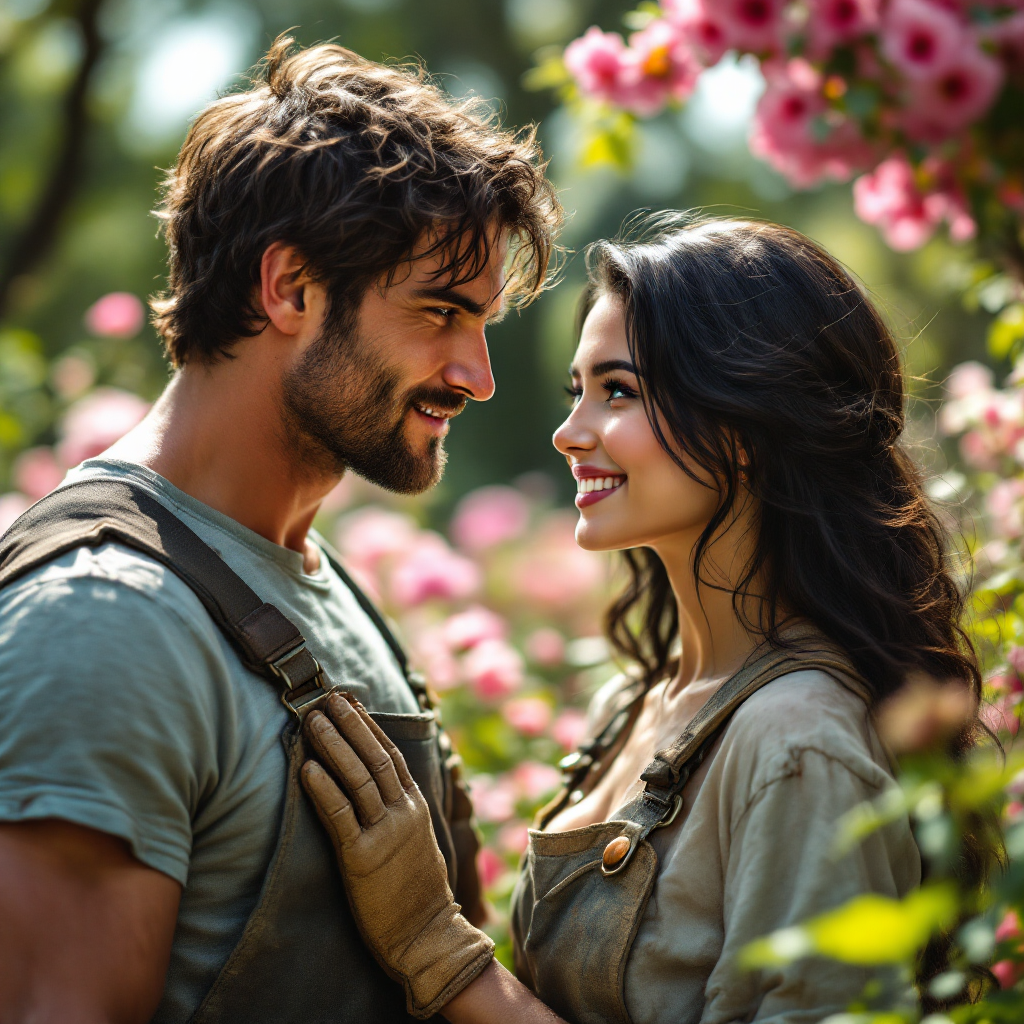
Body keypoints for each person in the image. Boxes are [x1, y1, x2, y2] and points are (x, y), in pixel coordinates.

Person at [301, 213, 989, 1024]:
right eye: (578, 392)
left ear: (743, 426)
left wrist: (436, 950)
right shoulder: (635, 703)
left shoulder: (798, 742)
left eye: (618, 391)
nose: (569, 433)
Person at [0, 37, 560, 1024]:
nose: (479, 375)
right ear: (289, 288)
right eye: (439, 311)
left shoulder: (312, 574)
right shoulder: (103, 624)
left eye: (482, 323)